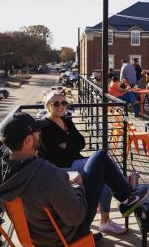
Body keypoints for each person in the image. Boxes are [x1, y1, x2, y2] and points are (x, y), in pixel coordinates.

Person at [0, 112, 148, 246]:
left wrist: (65, 182)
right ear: (28, 140)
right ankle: (127, 199)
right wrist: (77, 186)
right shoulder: (45, 173)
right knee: (99, 157)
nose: (40, 134)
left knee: (94, 163)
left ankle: (126, 198)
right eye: (36, 132)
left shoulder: (2, 174)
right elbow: (76, 217)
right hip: (65, 234)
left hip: (40, 235)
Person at [38, 91, 127, 235]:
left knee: (103, 171)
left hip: (76, 161)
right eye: (56, 103)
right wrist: (70, 144)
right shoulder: (44, 127)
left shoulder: (66, 120)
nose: (61, 106)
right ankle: (125, 197)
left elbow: (81, 142)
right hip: (61, 168)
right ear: (48, 106)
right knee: (103, 165)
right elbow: (55, 156)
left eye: (64, 103)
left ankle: (105, 220)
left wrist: (66, 144)